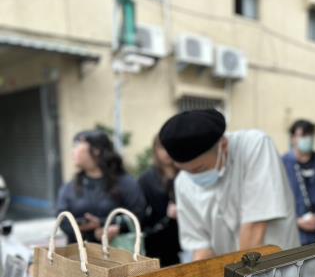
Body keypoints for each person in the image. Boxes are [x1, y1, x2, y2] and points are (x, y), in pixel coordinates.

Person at [158, 108, 299, 260]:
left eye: (199, 168)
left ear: (223, 145)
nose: (194, 176)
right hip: (231, 275)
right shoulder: (183, 183)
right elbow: (201, 249)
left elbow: (255, 228)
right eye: (185, 170)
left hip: (276, 269)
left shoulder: (255, 146)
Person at [56, 130, 146, 243]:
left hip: (118, 255)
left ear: (96, 150)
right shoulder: (70, 186)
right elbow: (61, 220)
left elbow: (139, 215)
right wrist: (84, 229)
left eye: (77, 145)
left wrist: (107, 224)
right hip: (78, 254)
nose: (72, 152)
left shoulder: (125, 183)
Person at [282, 119, 315, 245]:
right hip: (294, 232)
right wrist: (296, 220)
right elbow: (279, 196)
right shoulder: (283, 163)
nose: (308, 139)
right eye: (303, 135)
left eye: (310, 135)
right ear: (293, 138)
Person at [138, 137, 181, 266]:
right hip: (158, 240)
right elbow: (140, 211)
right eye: (162, 148)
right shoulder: (147, 179)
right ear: (156, 150)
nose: (167, 152)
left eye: (169, 147)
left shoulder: (186, 172)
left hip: (185, 237)